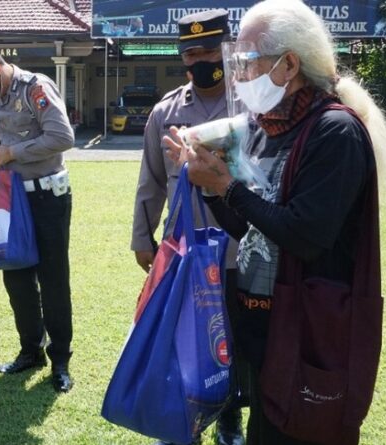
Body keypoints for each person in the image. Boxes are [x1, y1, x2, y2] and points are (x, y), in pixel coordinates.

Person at [166, 1, 386, 443]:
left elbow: (304, 235)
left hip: (308, 330)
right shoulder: (270, 128)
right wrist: (211, 185)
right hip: (268, 327)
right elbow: (253, 231)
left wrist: (227, 185)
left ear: (289, 64)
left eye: (248, 62)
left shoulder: (334, 131)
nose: (237, 76)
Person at [131, 9, 245, 445]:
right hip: (184, 251)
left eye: (210, 51)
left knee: (232, 339)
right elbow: (151, 180)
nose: (201, 60)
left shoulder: (250, 104)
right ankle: (186, 421)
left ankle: (230, 420)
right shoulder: (167, 111)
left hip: (239, 250)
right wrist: (143, 239)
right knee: (184, 338)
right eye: (191, 53)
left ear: (226, 50)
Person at [0, 41, 75, 393]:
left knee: (52, 279)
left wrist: (10, 151)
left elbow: (62, 136)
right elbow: (19, 128)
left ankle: (60, 360)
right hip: (12, 198)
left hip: (47, 196)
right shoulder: (2, 94)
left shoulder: (36, 87)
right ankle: (30, 351)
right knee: (17, 278)